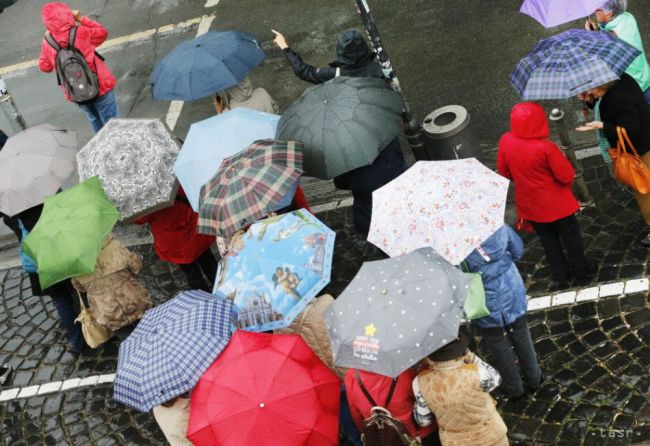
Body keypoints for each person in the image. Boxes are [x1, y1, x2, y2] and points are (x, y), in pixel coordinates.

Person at [272, 28, 407, 237]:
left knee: (368, 218)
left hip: (361, 175)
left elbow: (304, 71)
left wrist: (285, 46)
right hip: (389, 155)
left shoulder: (335, 76)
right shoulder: (379, 72)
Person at [497, 102, 596, 290]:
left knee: (548, 242)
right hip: (559, 205)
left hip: (531, 205)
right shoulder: (546, 147)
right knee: (571, 240)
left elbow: (505, 173)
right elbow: (566, 175)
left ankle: (561, 275)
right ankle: (582, 271)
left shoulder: (505, 141)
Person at [463, 225, 542, 398]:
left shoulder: (454, 247)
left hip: (484, 301)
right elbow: (518, 250)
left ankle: (514, 388)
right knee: (522, 334)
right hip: (511, 289)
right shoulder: (496, 226)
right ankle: (535, 378)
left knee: (498, 345)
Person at [577, 73, 650, 246]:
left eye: (589, 86)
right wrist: (589, 99)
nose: (586, 90)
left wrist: (602, 125)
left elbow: (631, 129)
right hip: (645, 140)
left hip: (641, 149)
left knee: (644, 190)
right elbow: (606, 103)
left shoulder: (619, 99)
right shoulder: (620, 79)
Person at [1, 204, 85, 352]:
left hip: (38, 259)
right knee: (81, 288)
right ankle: (97, 331)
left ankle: (78, 342)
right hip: (58, 248)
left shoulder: (7, 204)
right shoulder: (42, 195)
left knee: (61, 301)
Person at [413, 334, 508, 446]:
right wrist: (473, 358)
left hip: (454, 442)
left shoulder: (419, 381)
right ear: (460, 350)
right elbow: (497, 379)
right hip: (491, 436)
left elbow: (423, 421)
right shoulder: (477, 372)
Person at [38, 2, 119, 132]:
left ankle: (102, 145)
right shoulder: (81, 32)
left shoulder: (47, 43)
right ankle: (118, 144)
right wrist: (81, 18)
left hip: (76, 91)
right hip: (100, 85)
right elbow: (102, 33)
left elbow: (44, 67)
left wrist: (47, 39)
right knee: (112, 121)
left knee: (94, 117)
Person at [135, 188, 218, 292]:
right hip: (193, 231)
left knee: (192, 274)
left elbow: (140, 219)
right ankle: (221, 288)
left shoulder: (146, 199)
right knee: (209, 263)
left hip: (175, 244)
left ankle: (205, 297)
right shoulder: (173, 184)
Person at [71, 233, 152, 332]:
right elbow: (136, 267)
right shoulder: (112, 245)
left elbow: (80, 287)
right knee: (152, 330)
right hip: (135, 300)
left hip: (108, 313)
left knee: (128, 340)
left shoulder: (74, 264)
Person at [345, 367, 437, 444]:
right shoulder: (403, 371)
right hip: (415, 435)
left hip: (381, 437)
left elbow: (356, 415)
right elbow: (421, 400)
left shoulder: (351, 376)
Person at [585, 0, 650, 103]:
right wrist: (596, 33)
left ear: (609, 13)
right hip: (645, 80)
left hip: (634, 92)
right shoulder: (627, 17)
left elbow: (604, 56)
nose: (594, 12)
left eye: (597, 9)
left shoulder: (614, 37)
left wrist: (593, 36)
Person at [213, 76, 278, 115]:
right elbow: (275, 108)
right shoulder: (261, 92)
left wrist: (219, 111)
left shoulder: (229, 111)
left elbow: (225, 131)